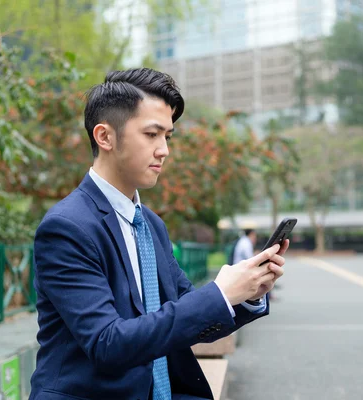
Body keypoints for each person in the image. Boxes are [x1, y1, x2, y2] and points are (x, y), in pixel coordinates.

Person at [29, 68, 289, 400]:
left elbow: (186, 312)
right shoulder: (67, 228)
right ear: (105, 137)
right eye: (152, 134)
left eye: (168, 136)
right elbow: (108, 343)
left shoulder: (150, 224)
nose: (164, 149)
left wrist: (247, 292)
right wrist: (219, 293)